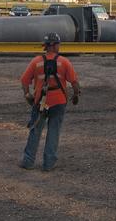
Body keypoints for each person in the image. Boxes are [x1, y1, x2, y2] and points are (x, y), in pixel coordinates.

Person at [19, 33, 81, 172]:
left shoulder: (36, 62)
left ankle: (28, 162)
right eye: (58, 44)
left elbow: (24, 80)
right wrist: (76, 95)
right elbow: (75, 83)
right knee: (54, 132)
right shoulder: (64, 62)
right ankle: (49, 163)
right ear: (54, 45)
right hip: (59, 102)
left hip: (40, 102)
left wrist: (27, 94)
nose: (60, 46)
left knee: (35, 131)